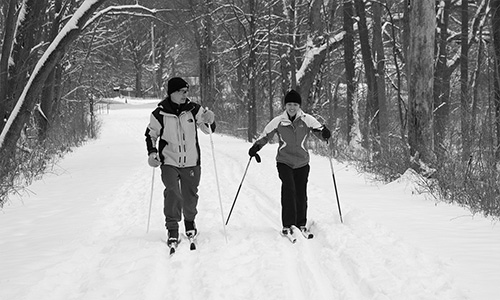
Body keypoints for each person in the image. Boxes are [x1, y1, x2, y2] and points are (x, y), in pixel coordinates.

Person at [248, 89, 331, 236]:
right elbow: (265, 136)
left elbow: (320, 131)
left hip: (302, 162)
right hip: (284, 161)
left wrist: (325, 134)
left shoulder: (307, 119)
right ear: (285, 106)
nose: (292, 107)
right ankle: (288, 224)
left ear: (299, 106)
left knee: (301, 192)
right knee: (289, 189)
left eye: (295, 104)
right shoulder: (279, 121)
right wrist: (256, 147)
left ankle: (301, 223)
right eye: (289, 104)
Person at [145, 77, 215, 247]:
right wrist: (152, 153)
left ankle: (190, 223)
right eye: (181, 91)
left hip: (191, 161)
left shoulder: (194, 109)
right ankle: (172, 229)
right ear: (172, 93)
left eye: (186, 91)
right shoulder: (159, 113)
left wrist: (210, 119)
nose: (185, 94)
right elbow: (151, 135)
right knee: (173, 193)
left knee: (190, 196)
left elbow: (208, 130)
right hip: (169, 160)